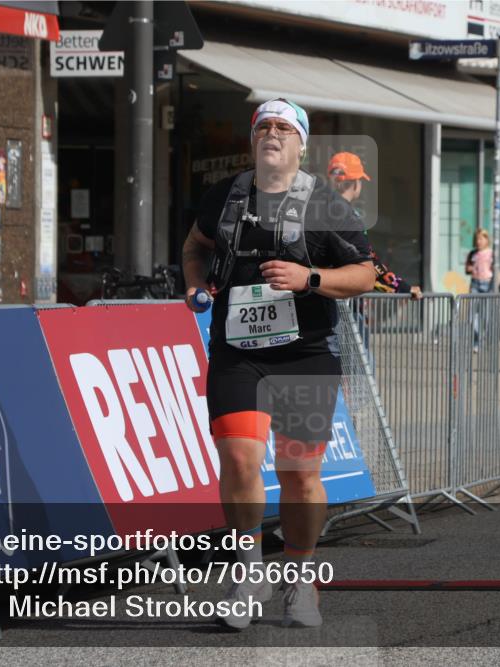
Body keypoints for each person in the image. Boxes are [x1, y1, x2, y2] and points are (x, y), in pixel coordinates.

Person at [181, 99, 374, 630]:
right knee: (240, 461)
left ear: (300, 143)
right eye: (263, 126)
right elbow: (195, 246)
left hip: (305, 355)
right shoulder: (224, 196)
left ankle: (300, 575)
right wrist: (195, 284)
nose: (272, 133)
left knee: (300, 474)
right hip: (238, 353)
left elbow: (366, 274)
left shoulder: (325, 203)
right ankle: (248, 571)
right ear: (253, 140)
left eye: (283, 127)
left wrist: (309, 279)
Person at [327, 151, 422, 300]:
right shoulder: (349, 217)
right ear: (356, 182)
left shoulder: (317, 210)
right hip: (339, 299)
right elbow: (370, 265)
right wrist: (404, 288)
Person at [465, 229, 494, 293]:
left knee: (487, 302)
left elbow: (496, 270)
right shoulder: (472, 253)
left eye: (481, 239)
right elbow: (467, 269)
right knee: (474, 302)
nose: (478, 242)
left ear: (486, 239)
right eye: (476, 239)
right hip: (475, 282)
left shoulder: (491, 253)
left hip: (488, 283)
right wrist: (473, 268)